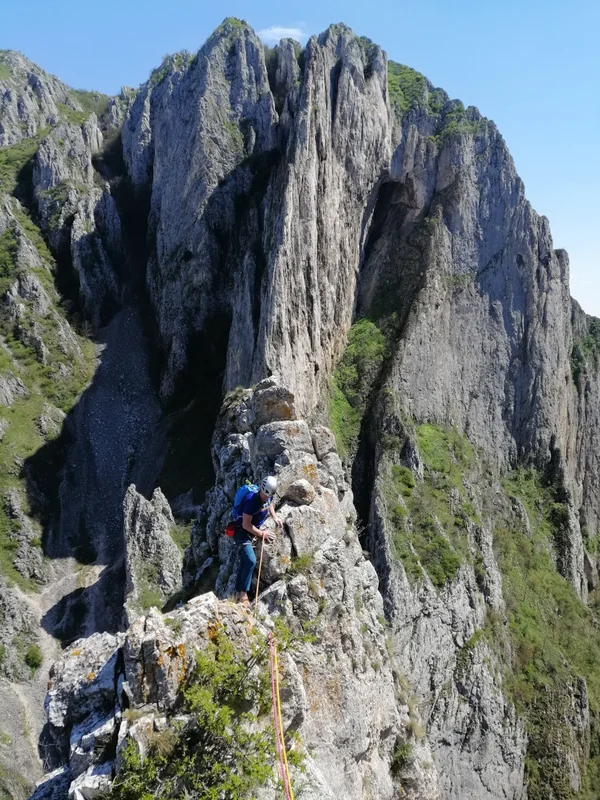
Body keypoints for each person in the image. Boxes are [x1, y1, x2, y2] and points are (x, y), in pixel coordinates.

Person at [234, 475, 283, 606]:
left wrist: (274, 516)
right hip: (241, 532)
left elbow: (270, 503)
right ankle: (243, 596)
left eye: (268, 495)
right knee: (250, 560)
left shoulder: (268, 495)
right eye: (264, 495)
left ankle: (238, 594)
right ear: (261, 488)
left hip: (250, 531)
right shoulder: (252, 501)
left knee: (245, 561)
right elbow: (246, 525)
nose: (265, 497)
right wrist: (262, 534)